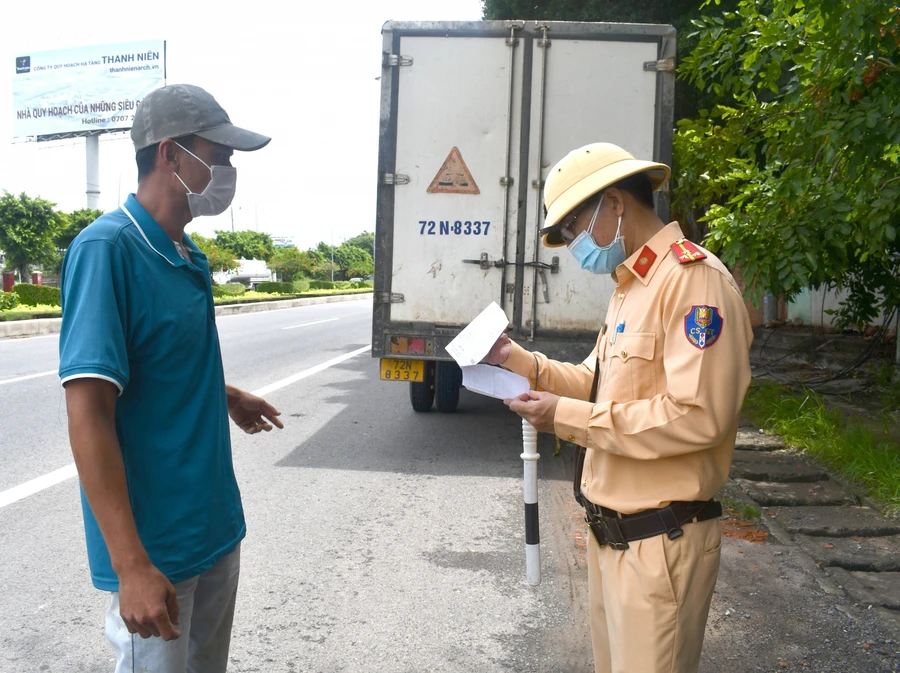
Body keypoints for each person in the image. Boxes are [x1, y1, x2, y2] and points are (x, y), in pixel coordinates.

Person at [484, 142, 753, 673]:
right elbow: (596, 383)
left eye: (571, 228)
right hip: (614, 542)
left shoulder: (693, 281)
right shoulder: (631, 287)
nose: (569, 243)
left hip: (661, 544)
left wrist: (562, 416)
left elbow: (697, 415)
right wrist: (517, 360)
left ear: (614, 203)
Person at [59, 83, 283, 673]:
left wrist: (226, 396)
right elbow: (88, 412)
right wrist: (131, 565)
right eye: (219, 153)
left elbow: (161, 364)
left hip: (214, 528)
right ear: (170, 154)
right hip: (157, 549)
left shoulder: (187, 256)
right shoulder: (107, 250)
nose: (227, 169)